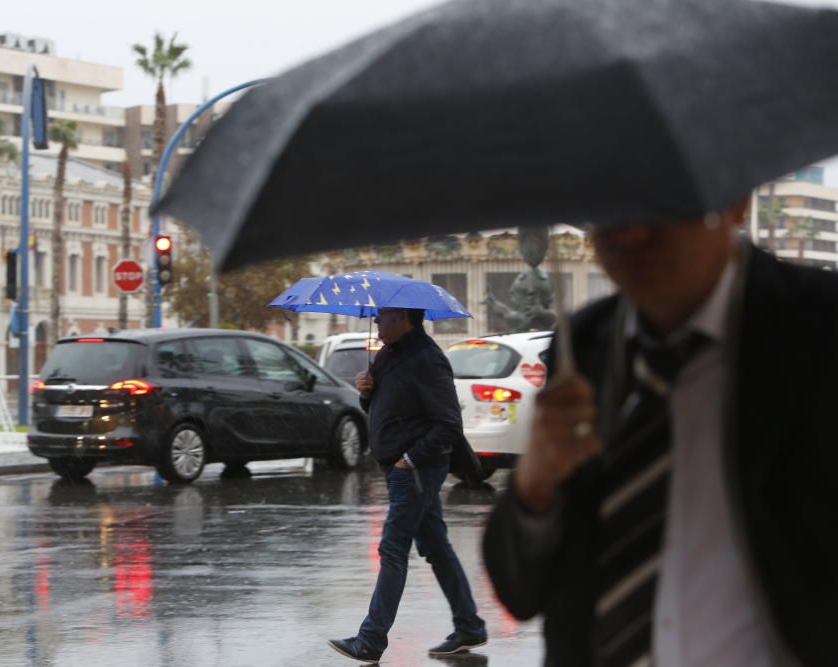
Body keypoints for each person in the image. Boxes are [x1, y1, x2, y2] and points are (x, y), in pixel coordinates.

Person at [482, 202, 838, 667]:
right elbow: (519, 591)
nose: (630, 233)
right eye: (611, 203)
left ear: (733, 205)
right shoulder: (583, 346)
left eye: (662, 204)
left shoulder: (820, 328)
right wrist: (534, 483)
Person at [328, 307, 487, 663]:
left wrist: (409, 460)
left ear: (402, 318)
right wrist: (366, 392)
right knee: (436, 547)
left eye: (382, 316)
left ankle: (370, 640)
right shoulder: (389, 355)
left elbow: (448, 424)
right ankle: (470, 627)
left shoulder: (427, 359)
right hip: (401, 469)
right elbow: (385, 408)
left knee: (393, 549)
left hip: (416, 470)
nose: (376, 322)